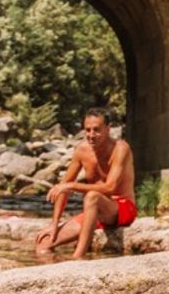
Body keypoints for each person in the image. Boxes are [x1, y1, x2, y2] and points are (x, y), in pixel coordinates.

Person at [35, 109, 137, 260]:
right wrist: (54, 224)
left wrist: (71, 186)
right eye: (87, 130)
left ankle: (78, 258)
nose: (91, 134)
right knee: (43, 244)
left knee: (92, 196)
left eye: (96, 130)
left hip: (122, 209)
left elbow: (110, 187)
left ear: (108, 129)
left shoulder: (121, 148)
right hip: (95, 213)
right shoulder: (81, 150)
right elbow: (63, 187)